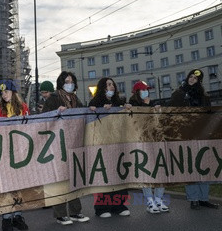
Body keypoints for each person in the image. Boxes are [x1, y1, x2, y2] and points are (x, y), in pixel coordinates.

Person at [42, 71, 90, 225]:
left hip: (74, 143)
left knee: (74, 177)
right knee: (60, 180)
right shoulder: (54, 98)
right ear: (61, 83)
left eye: (72, 81)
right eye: (67, 81)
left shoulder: (75, 99)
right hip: (58, 144)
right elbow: (44, 118)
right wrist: (57, 113)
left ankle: (76, 211)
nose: (70, 84)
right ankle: (60, 214)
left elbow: (83, 114)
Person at [168, 69, 219, 210]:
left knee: (204, 167)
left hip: (202, 136)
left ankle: (204, 198)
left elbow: (209, 115)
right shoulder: (179, 93)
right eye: (190, 76)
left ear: (199, 81)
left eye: (195, 78)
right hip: (186, 135)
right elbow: (171, 112)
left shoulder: (204, 95)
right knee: (190, 167)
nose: (192, 79)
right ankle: (194, 198)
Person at [89, 77, 131, 218]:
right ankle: (102, 207)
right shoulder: (96, 101)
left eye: (112, 84)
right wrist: (98, 110)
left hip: (118, 142)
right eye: (108, 85)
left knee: (119, 172)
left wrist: (127, 107)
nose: (111, 86)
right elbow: (90, 117)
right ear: (102, 88)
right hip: (102, 143)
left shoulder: (119, 101)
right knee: (104, 175)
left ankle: (119, 205)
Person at [0, 80, 29, 231]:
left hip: (20, 151)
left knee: (19, 185)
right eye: (2, 92)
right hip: (5, 152)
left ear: (13, 93)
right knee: (6, 185)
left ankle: (18, 216)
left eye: (6, 91)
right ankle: (6, 217)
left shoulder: (23, 108)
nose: (4, 94)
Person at [129, 81, 168, 214]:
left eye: (147, 89)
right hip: (141, 141)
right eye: (143, 90)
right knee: (146, 170)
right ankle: (149, 200)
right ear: (137, 93)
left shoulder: (153, 103)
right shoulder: (133, 105)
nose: (146, 92)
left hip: (156, 140)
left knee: (160, 168)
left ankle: (158, 198)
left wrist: (158, 111)